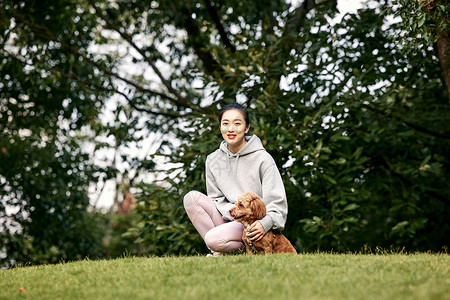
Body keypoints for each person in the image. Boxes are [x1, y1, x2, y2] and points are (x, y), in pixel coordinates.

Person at [183, 103, 289, 256]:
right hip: (229, 217)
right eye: (225, 123)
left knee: (212, 239)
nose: (231, 129)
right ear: (220, 127)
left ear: (246, 128)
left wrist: (264, 224)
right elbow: (216, 200)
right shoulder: (213, 160)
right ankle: (220, 252)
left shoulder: (263, 158)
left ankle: (238, 247)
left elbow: (277, 202)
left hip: (254, 222)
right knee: (191, 199)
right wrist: (234, 213)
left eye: (237, 123)